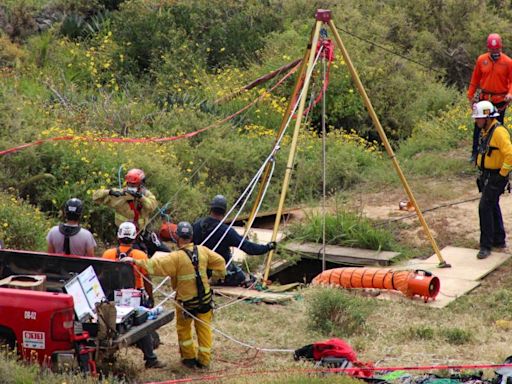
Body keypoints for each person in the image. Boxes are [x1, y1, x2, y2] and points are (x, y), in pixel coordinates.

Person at [120, 221, 226, 369]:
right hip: (205, 301)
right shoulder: (203, 251)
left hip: (186, 303)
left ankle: (188, 358)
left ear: (177, 237)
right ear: (191, 236)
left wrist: (134, 261)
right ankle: (204, 361)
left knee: (184, 329)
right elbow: (220, 262)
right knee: (204, 330)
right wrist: (216, 277)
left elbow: (153, 265)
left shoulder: (175, 257)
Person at [102, 222, 164, 369]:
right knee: (143, 325)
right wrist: (151, 296)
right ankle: (150, 359)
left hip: (112, 297)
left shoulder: (108, 254)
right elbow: (147, 280)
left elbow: (102, 277)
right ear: (134, 237)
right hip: (135, 298)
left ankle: (108, 356)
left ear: (118, 236)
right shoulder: (140, 255)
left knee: (110, 326)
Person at [192, 195, 276, 286]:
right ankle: (217, 280)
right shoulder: (226, 232)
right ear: (224, 212)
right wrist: (267, 247)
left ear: (211, 209)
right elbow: (249, 248)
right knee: (241, 276)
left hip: (198, 268)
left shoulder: (197, 225)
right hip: (217, 270)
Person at [93, 168, 169, 256]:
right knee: (136, 256)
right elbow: (95, 197)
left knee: (165, 252)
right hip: (125, 237)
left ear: (141, 184)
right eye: (130, 184)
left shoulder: (146, 195)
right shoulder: (119, 195)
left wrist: (141, 198)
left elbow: (151, 207)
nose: (132, 187)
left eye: (134, 184)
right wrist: (109, 192)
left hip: (141, 234)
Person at [473, 100, 512, 259]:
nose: (476, 121)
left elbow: (510, 154)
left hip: (496, 176)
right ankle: (498, 239)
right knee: (492, 205)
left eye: (478, 118)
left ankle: (486, 245)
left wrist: (502, 174)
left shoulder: (498, 132)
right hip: (488, 175)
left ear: (488, 117)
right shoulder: (487, 130)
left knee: (484, 207)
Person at [467, 33, 512, 162]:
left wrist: (510, 94)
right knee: (478, 126)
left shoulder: (508, 62)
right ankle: (475, 153)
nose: (495, 52)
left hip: (500, 101)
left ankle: (497, 154)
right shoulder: (482, 60)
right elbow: (475, 79)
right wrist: (470, 96)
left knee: (498, 129)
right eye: (492, 50)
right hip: (484, 100)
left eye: (497, 50)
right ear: (488, 49)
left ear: (501, 48)